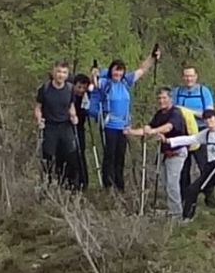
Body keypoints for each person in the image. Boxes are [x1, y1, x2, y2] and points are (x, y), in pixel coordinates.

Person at [161, 109, 215, 240]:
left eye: (211, 118)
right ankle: (187, 218)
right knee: (193, 189)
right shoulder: (206, 134)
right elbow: (191, 138)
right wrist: (169, 141)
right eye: (206, 119)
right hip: (211, 168)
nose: (209, 121)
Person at [91, 49, 160, 191]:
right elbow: (94, 82)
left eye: (120, 71)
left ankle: (119, 185)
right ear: (111, 71)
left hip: (124, 126)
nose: (118, 74)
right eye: (115, 71)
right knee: (109, 155)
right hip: (109, 125)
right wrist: (94, 72)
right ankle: (108, 185)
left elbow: (141, 70)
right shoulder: (105, 83)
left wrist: (152, 57)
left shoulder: (125, 82)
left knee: (120, 156)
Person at [125, 87, 187, 216]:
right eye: (159, 98)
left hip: (176, 152)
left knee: (172, 184)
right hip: (164, 154)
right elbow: (148, 129)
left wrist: (153, 131)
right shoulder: (159, 114)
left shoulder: (176, 113)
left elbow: (168, 127)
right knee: (165, 183)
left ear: (170, 98)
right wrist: (131, 132)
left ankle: (177, 214)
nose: (161, 101)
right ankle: (172, 210)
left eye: (164, 98)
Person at [173, 66, 215, 208]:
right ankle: (186, 199)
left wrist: (188, 112)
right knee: (183, 168)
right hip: (183, 132)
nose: (188, 79)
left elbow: (209, 114)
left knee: (205, 166)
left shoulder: (204, 92)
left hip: (201, 132)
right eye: (186, 76)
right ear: (182, 77)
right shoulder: (177, 92)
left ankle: (209, 196)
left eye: (191, 76)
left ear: (196, 76)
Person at [34, 61, 80, 188]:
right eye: (59, 71)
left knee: (70, 156)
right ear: (53, 72)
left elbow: (71, 106)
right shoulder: (45, 89)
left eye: (64, 72)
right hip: (50, 127)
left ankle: (70, 187)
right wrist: (39, 120)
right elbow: (38, 107)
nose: (61, 75)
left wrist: (74, 116)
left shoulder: (70, 89)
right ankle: (47, 186)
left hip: (65, 126)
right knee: (48, 157)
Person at [70, 74, 91, 189]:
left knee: (80, 153)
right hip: (68, 128)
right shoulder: (68, 96)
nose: (81, 90)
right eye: (79, 87)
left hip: (80, 129)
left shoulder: (86, 97)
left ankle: (83, 182)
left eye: (84, 88)